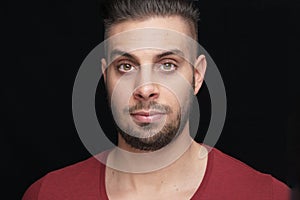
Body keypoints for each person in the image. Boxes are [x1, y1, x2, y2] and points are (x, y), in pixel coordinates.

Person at [23, 0, 290, 199]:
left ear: (197, 77)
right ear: (106, 77)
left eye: (167, 65)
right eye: (126, 66)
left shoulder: (265, 194)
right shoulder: (49, 193)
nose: (145, 87)